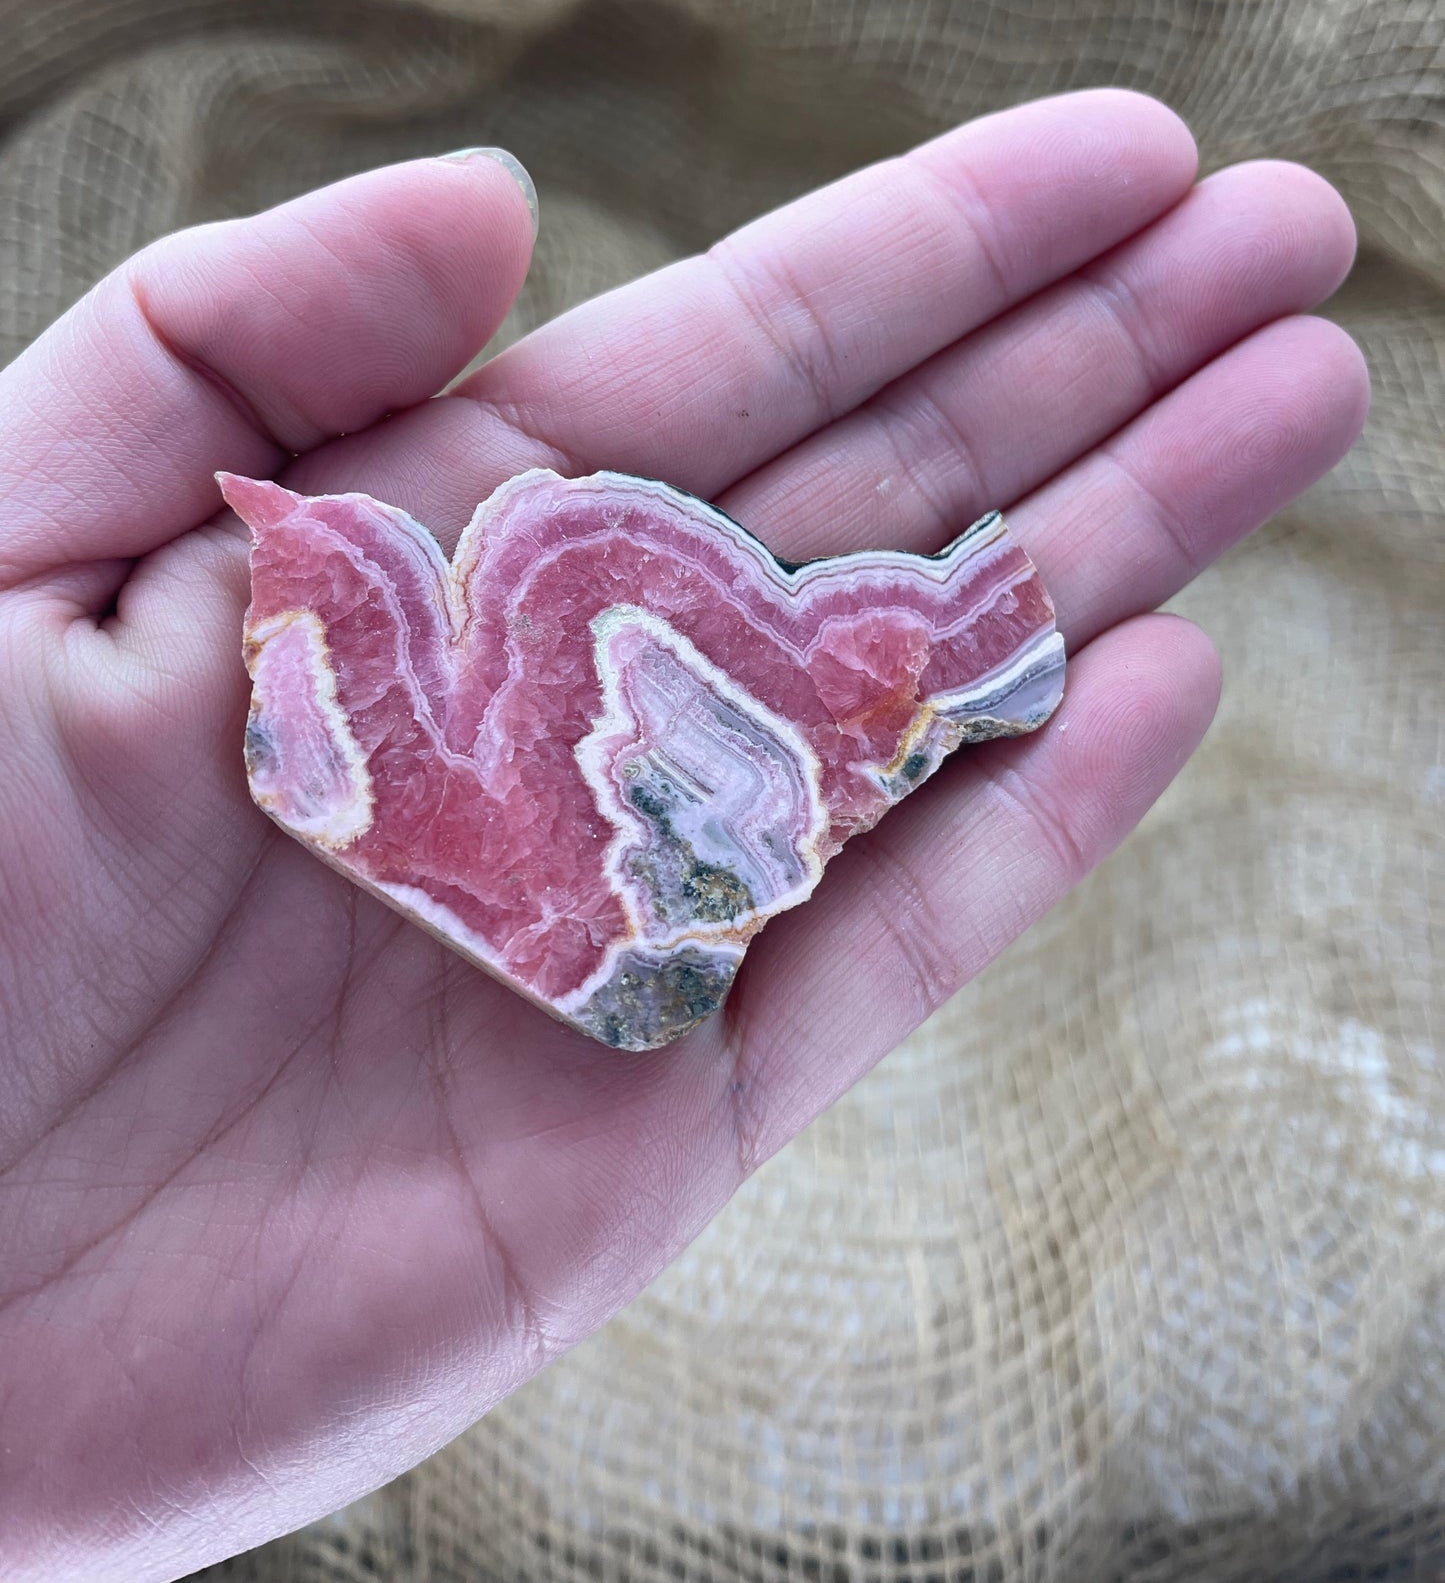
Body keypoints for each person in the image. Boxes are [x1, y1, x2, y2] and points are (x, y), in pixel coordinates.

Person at [0, 91, 1365, 1581]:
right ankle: (933, 657)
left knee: (798, 684)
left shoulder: (523, 653)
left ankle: (944, 654)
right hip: (657, 810)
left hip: (705, 768)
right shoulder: (361, 728)